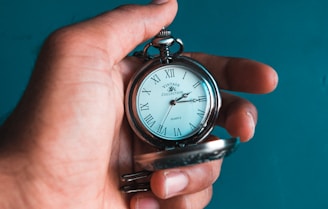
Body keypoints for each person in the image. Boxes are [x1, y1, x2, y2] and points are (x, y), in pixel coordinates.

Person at [0, 0, 278, 208]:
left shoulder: (189, 84)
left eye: (180, 97)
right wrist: (29, 187)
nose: (173, 99)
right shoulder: (130, 83)